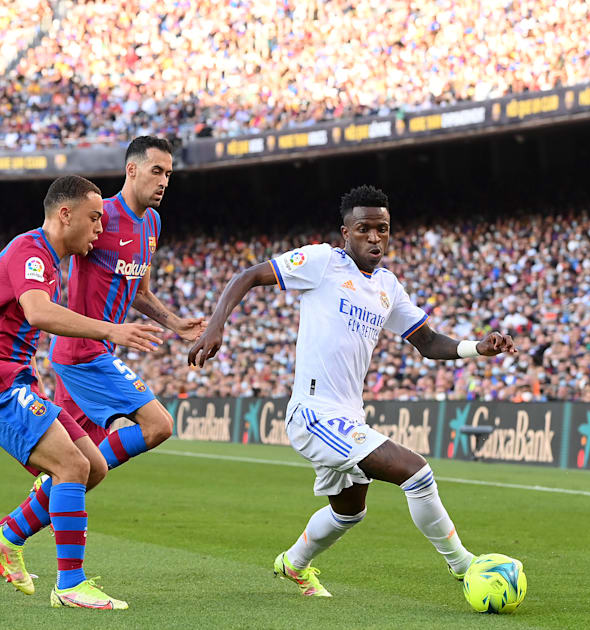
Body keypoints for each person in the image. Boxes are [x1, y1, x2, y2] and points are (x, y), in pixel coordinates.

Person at [187, 185, 519, 598]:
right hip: (313, 414)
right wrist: (216, 324)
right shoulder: (323, 261)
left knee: (349, 512)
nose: (375, 237)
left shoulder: (388, 287)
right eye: (364, 229)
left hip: (348, 415)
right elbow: (248, 276)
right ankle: (464, 565)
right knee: (416, 472)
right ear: (345, 233)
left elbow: (429, 342)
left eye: (383, 229)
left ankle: (293, 564)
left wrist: (475, 348)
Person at [0, 136, 205, 592]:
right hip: (83, 354)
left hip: (94, 351)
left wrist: (174, 323)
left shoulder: (151, 224)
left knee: (84, 468)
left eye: (169, 174)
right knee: (157, 426)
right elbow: (39, 300)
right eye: (156, 171)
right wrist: (110, 330)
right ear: (132, 170)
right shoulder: (96, 221)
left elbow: (136, 290)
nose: (164, 182)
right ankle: (69, 581)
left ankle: (3, 537)